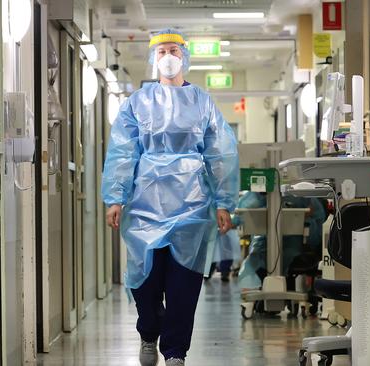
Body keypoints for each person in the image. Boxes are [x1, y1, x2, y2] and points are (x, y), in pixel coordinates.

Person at [101, 29, 239, 366]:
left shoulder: (203, 103)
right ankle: (149, 332)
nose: (168, 56)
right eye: (161, 50)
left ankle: (175, 351)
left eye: (174, 50)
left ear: (184, 56)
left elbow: (221, 153)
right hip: (144, 204)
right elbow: (122, 151)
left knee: (184, 285)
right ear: (153, 58)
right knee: (144, 281)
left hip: (191, 206)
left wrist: (224, 202)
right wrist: (115, 197)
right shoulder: (137, 103)